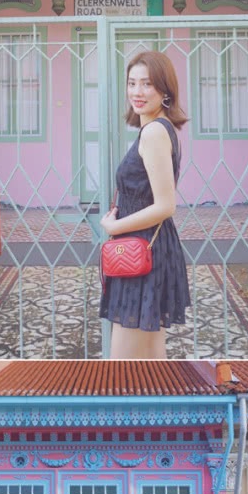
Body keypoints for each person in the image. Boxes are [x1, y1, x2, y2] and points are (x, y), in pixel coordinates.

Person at [98, 50, 192, 359]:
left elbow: (165, 205)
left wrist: (113, 226)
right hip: (150, 248)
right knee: (150, 360)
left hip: (141, 251)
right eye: (132, 83)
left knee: (123, 365)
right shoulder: (158, 128)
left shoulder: (153, 132)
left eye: (147, 84)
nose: (137, 92)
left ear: (164, 90)